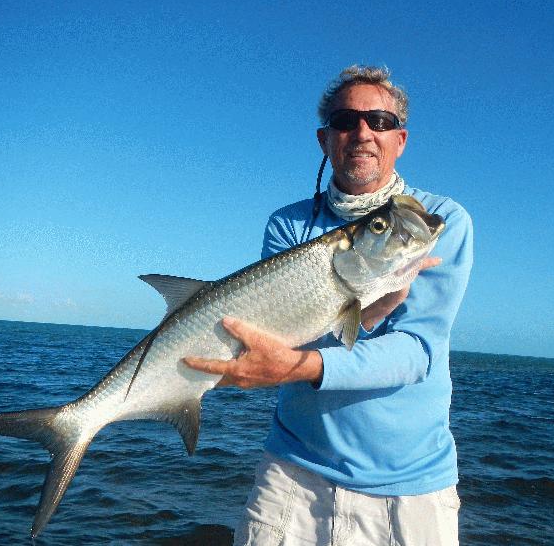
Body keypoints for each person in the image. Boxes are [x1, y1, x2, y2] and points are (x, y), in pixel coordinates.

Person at [183, 65, 473, 545]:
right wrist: (375, 308)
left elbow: (417, 352)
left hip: (409, 485)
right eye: (345, 121)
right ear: (325, 140)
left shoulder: (439, 220)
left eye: (378, 121)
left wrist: (300, 364)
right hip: (292, 474)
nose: (362, 132)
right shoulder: (289, 225)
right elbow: (288, 333)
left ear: (400, 140)